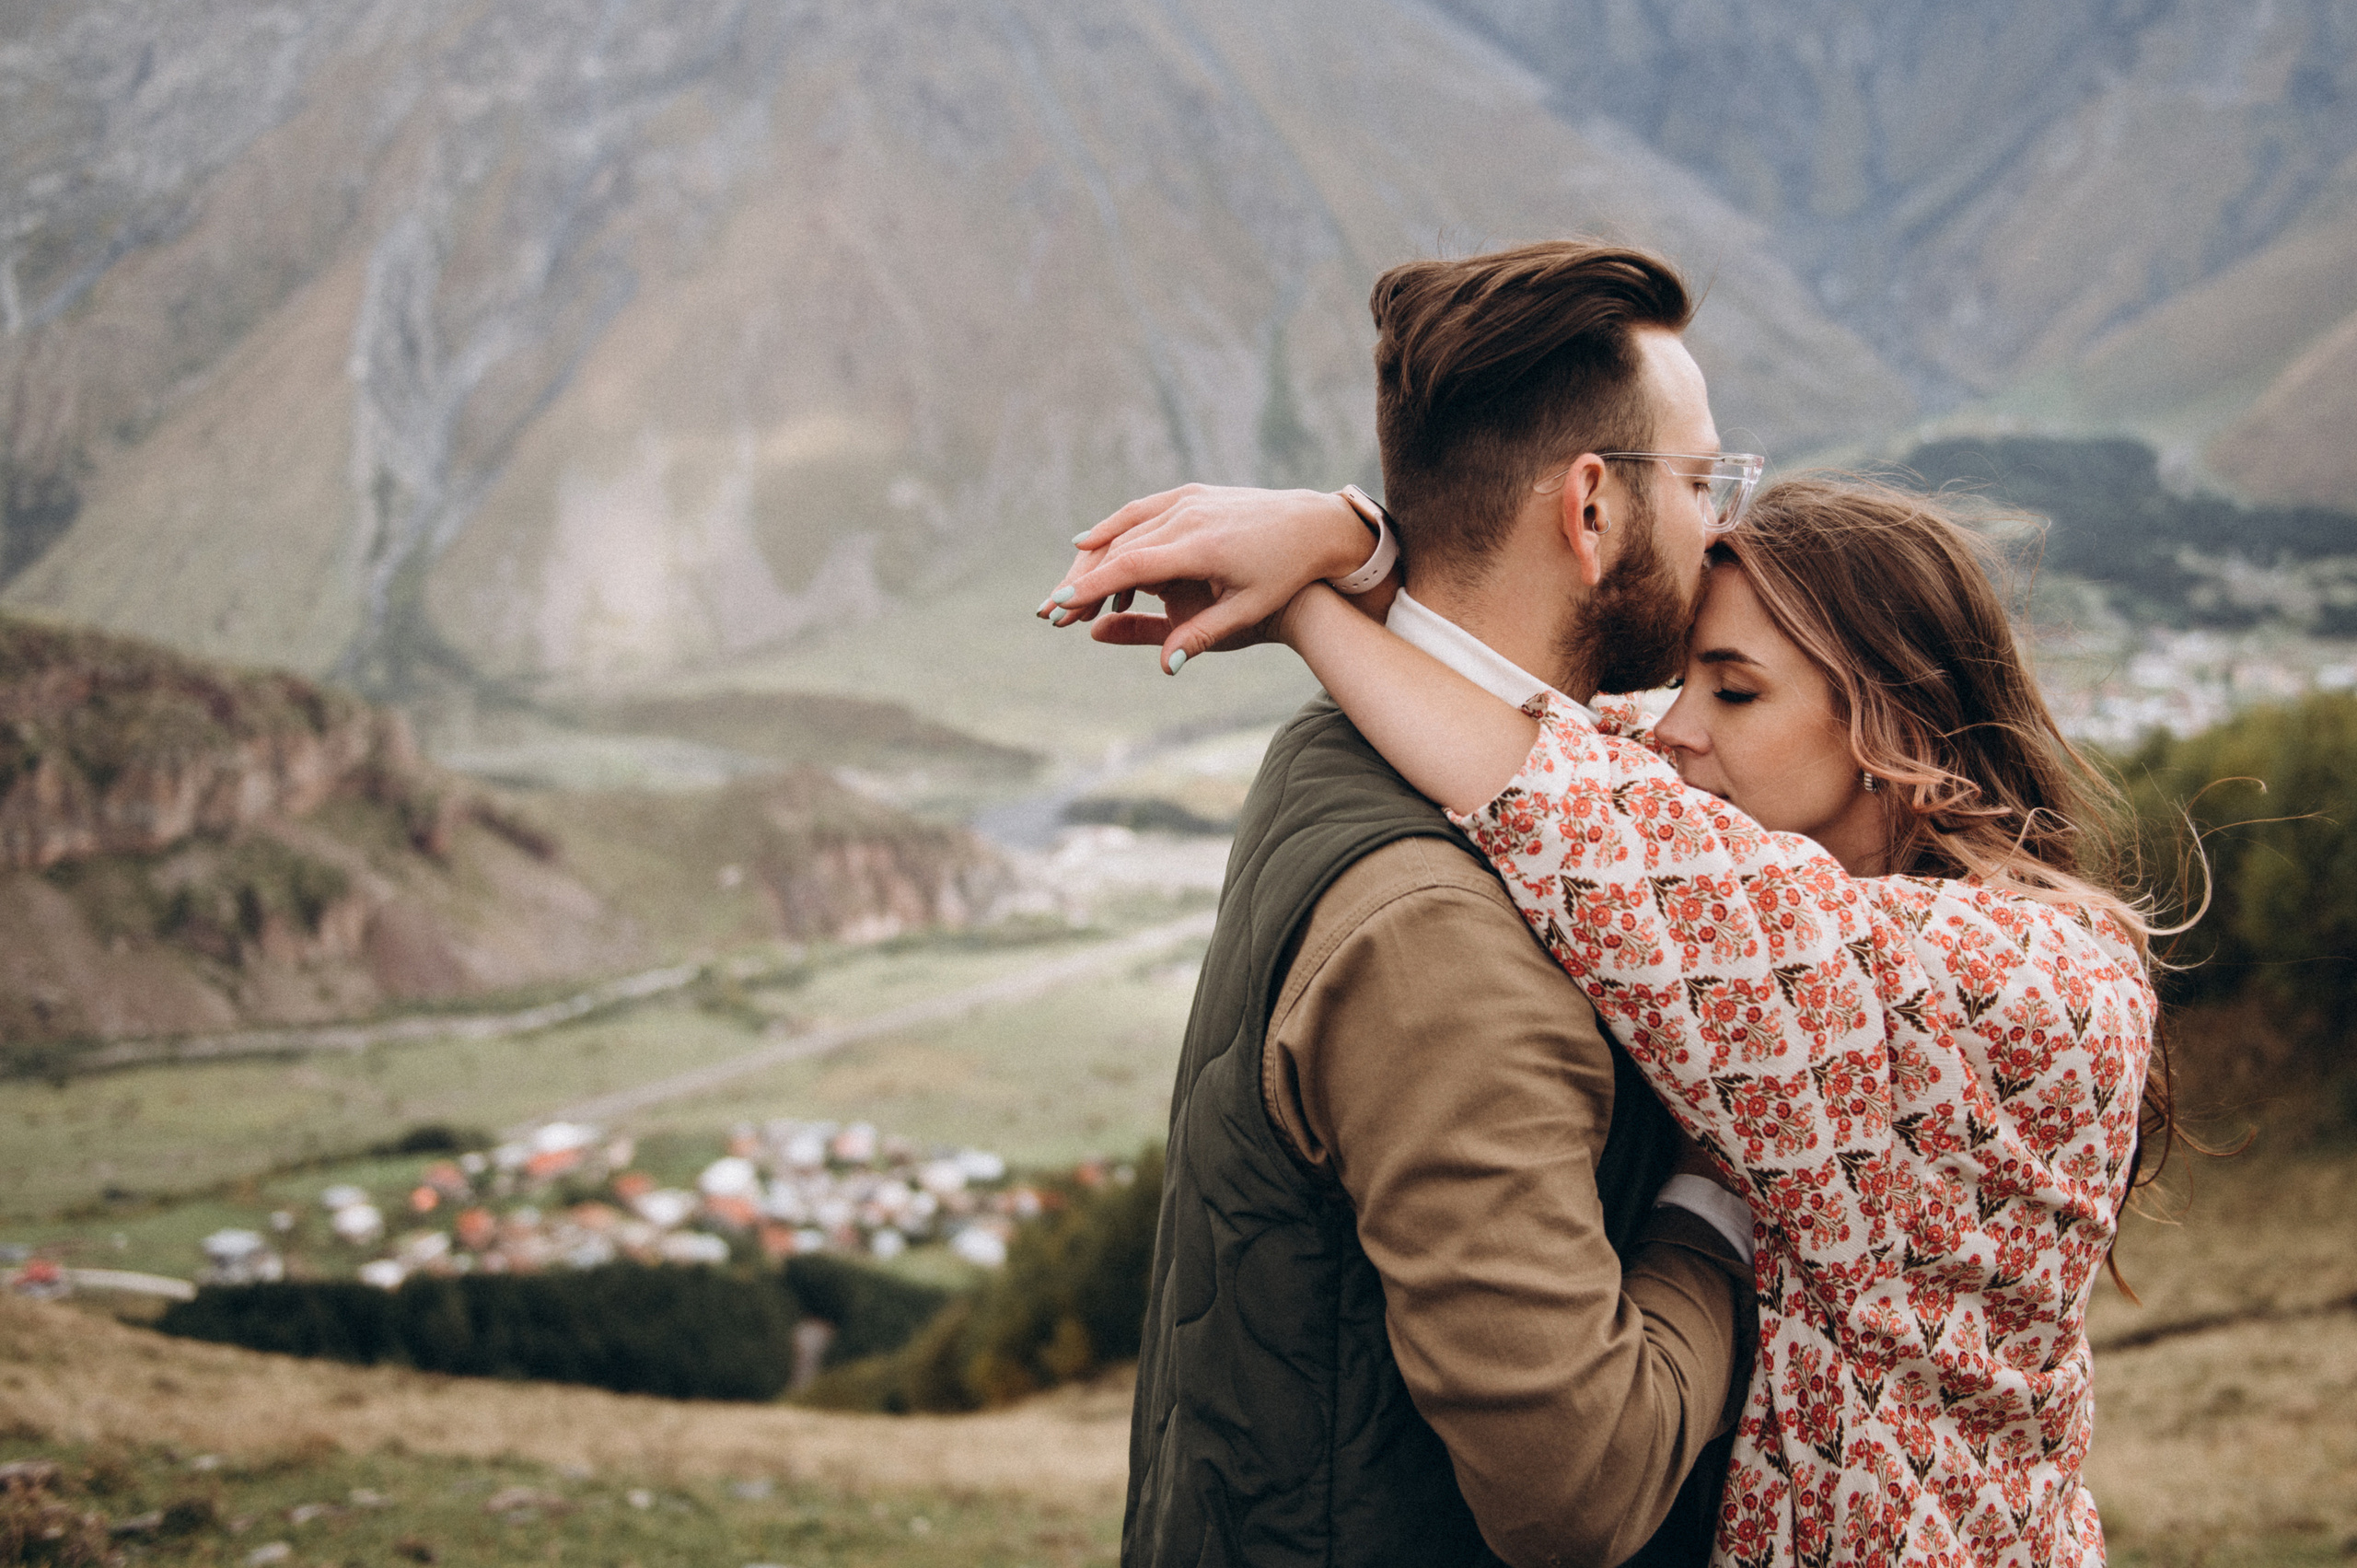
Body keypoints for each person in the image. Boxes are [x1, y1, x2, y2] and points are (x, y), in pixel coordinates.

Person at [1048, 469, 2166, 1565]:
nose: (1672, 730)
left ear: (1895, 723)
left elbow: (1553, 795)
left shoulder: (2007, 978)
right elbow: (1542, 714)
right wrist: (1356, 544)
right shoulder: (1784, 855)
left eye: (1731, 689)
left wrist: (1303, 601)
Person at [1067, 240, 1765, 1568]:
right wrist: (1717, 1202)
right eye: (1698, 480)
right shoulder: (1447, 944)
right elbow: (1582, 1491)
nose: (1725, 525)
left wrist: (1354, 540)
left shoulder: (1346, 740)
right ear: (1593, 511)